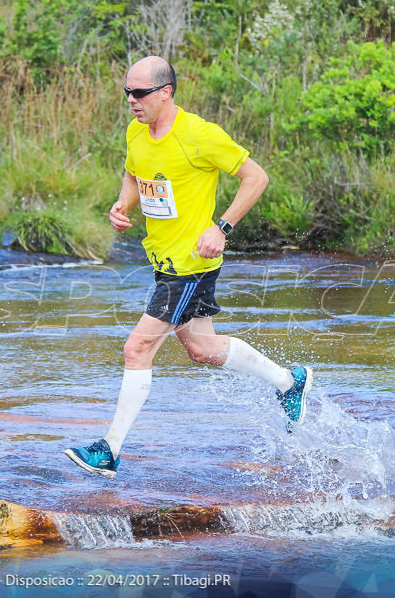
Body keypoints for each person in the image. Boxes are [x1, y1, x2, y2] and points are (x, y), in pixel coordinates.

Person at [64, 56, 313, 478]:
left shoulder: (200, 135)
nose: (131, 101)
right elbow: (133, 173)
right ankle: (290, 382)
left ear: (166, 92)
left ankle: (110, 450)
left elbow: (256, 178)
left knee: (137, 348)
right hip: (163, 261)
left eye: (140, 93)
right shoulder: (136, 132)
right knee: (202, 349)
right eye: (127, 92)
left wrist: (223, 227)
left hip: (192, 264)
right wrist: (123, 204)